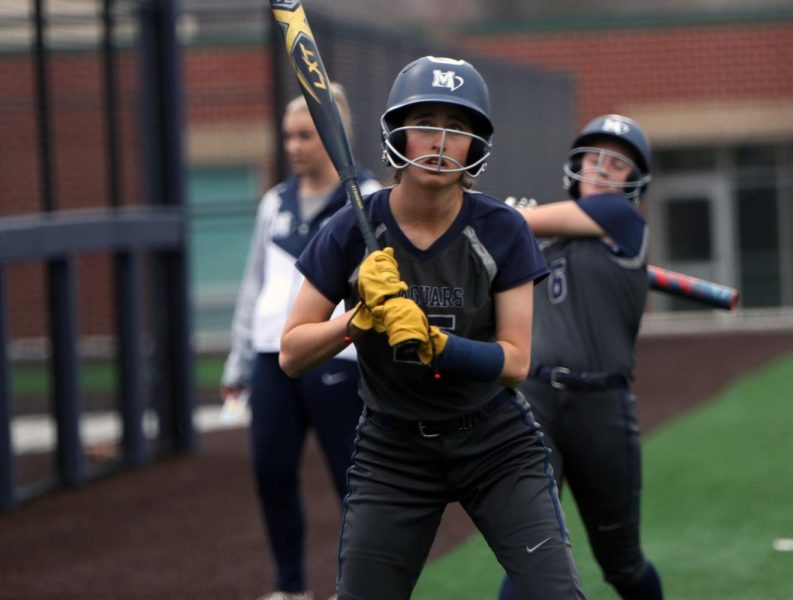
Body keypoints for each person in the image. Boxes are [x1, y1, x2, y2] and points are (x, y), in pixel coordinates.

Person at [279, 56, 587, 599]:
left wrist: (436, 343)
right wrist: (356, 324)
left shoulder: (504, 230)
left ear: (475, 145)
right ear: (398, 133)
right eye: (425, 124)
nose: (440, 141)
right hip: (392, 449)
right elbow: (292, 352)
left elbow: (515, 362)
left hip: (494, 441)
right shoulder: (352, 228)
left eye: (458, 128)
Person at [220, 84, 381, 600]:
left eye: (306, 135)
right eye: (288, 135)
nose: (294, 146)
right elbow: (254, 285)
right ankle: (290, 587)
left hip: (341, 355)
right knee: (270, 469)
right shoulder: (275, 202)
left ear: (334, 136)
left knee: (351, 480)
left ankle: (353, 588)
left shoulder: (370, 199)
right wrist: (238, 362)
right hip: (274, 356)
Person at [497, 114, 664, 600]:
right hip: (535, 401)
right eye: (595, 158)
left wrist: (507, 215)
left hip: (602, 407)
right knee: (531, 552)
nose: (602, 169)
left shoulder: (623, 219)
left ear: (634, 181)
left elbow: (516, 220)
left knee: (623, 564)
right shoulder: (534, 235)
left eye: (618, 164)